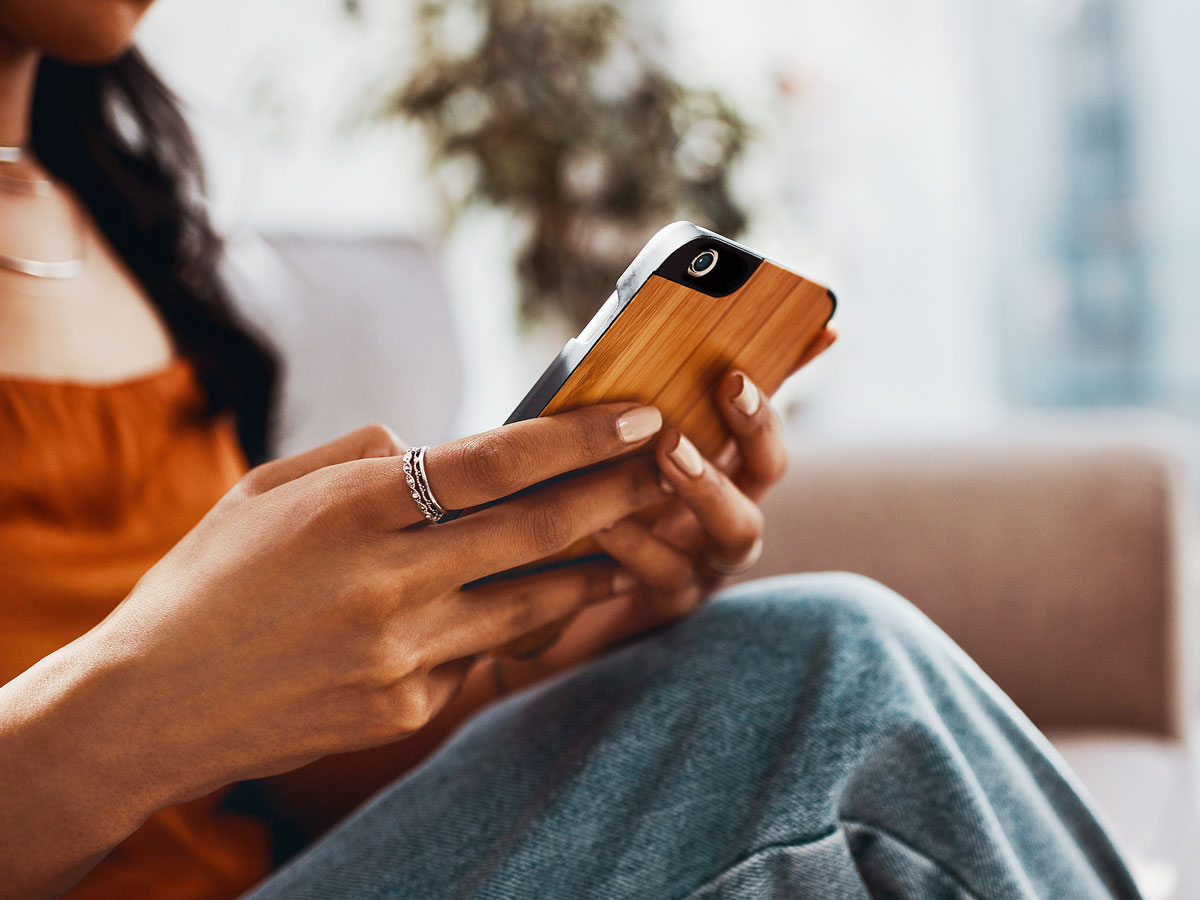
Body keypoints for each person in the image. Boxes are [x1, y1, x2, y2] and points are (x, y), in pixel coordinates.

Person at [0, 3, 1144, 899]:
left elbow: (252, 785)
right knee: (835, 677)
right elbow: (160, 724)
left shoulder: (111, 215)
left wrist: (540, 649)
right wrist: (136, 706)